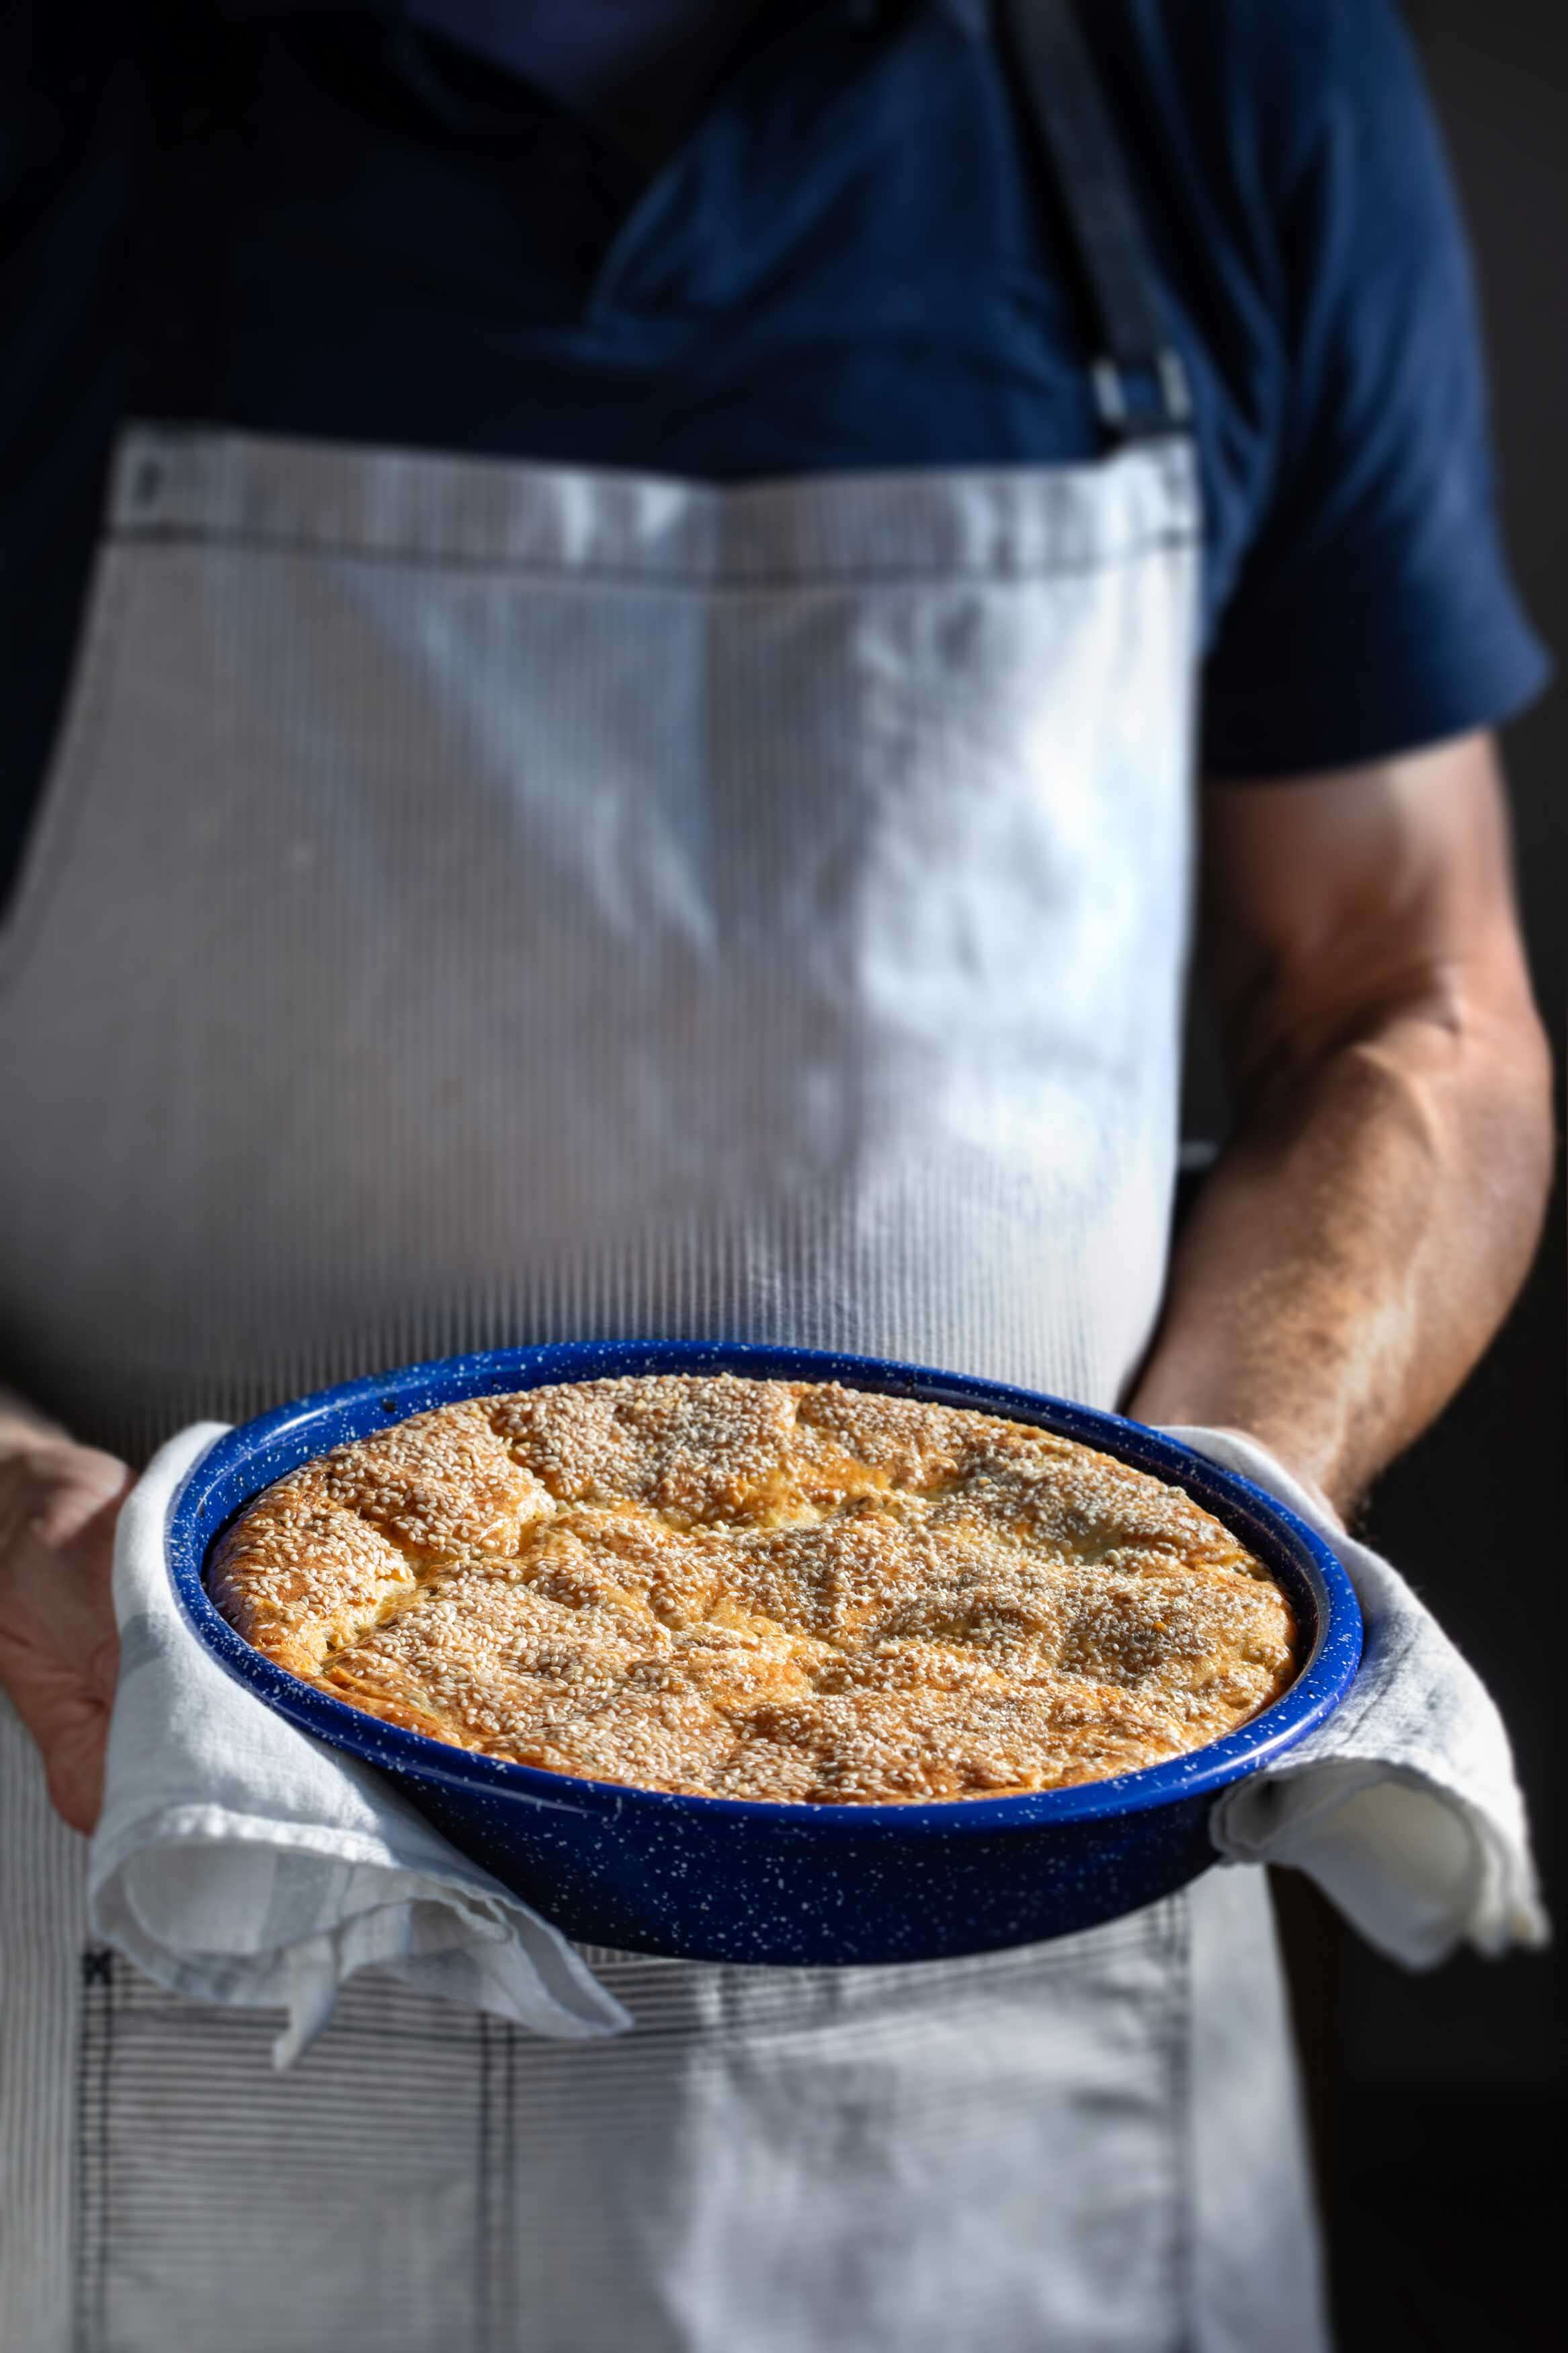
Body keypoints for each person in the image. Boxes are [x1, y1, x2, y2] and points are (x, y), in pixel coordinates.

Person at [0, 1, 1553, 2346]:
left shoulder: (1223, 75)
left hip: (1019, 2037)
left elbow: (1408, 994)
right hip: (159, 1933)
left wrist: (1225, 1500)